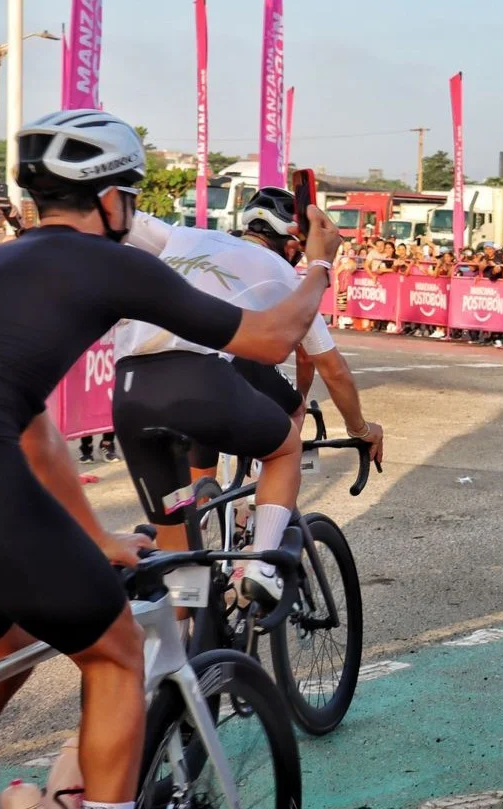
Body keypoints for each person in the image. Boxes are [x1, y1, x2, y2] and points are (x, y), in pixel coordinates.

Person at [0, 108, 340, 809]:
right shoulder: (110, 264)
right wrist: (316, 265)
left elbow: (38, 432)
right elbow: (274, 337)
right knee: (113, 655)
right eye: (133, 199)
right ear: (112, 203)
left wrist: (96, 537)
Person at [114, 188, 384, 604]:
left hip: (132, 391)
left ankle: (180, 648)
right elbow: (333, 368)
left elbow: (122, 217)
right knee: (285, 446)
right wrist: (361, 428)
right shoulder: (285, 273)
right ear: (293, 241)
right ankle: (261, 560)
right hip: (206, 379)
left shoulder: (184, 235)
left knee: (183, 575)